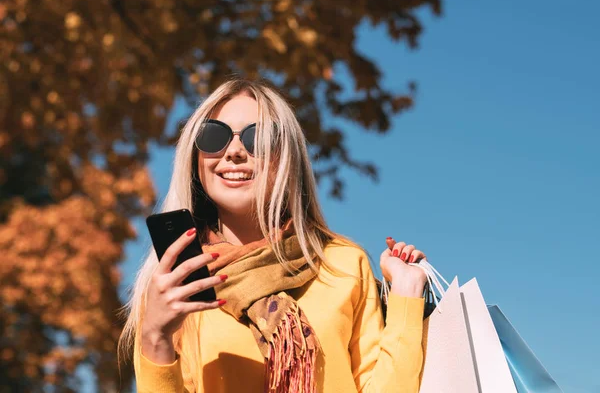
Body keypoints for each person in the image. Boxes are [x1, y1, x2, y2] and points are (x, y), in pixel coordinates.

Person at [119, 79, 428, 393]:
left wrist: (406, 293)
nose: (235, 151)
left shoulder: (342, 263)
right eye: (213, 136)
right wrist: (155, 337)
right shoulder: (176, 283)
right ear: (195, 157)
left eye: (260, 138)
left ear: (288, 157)